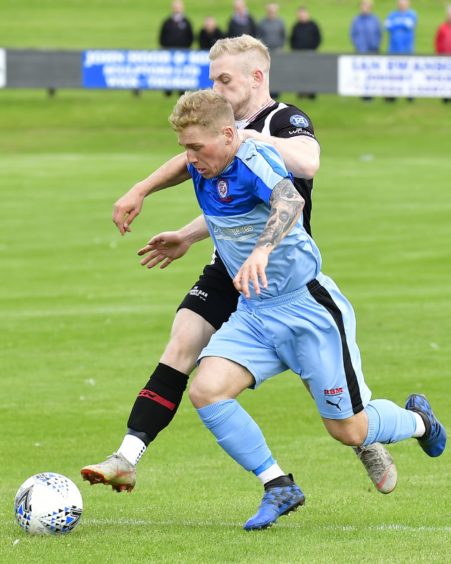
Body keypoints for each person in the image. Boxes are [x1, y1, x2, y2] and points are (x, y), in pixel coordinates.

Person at [81, 35, 397, 497]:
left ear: (256, 77)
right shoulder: (213, 132)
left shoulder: (283, 120)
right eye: (213, 79)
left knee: (330, 398)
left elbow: (307, 164)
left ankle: (362, 431)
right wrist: (152, 201)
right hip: (228, 265)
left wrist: (247, 137)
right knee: (183, 343)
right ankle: (127, 456)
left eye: (224, 78)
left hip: (278, 267)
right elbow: (203, 177)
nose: (217, 87)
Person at [164, 88, 446, 530]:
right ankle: (277, 485)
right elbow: (197, 179)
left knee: (348, 430)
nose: (189, 158)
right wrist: (156, 206)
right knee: (206, 390)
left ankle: (418, 422)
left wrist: (261, 251)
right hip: (256, 314)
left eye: (196, 147)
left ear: (228, 134)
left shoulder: (254, 156)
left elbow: (289, 200)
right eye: (184, 147)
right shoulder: (206, 166)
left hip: (308, 310)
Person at [159, 0, 194, 96]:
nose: (177, 8)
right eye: (175, 6)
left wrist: (186, 48)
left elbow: (190, 37)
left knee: (182, 72)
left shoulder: (186, 22)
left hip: (183, 53)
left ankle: (182, 91)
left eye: (179, 6)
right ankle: (168, 91)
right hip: (169, 53)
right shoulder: (167, 22)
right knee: (169, 72)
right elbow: (162, 38)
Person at [289, 7, 322, 99]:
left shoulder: (313, 25)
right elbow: (292, 40)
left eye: (303, 14)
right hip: (299, 55)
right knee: (300, 74)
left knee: (311, 74)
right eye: (300, 14)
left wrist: (313, 48)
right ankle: (301, 93)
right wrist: (295, 50)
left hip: (311, 54)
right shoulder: (296, 26)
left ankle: (311, 93)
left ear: (307, 14)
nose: (302, 16)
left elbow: (318, 38)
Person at [257, 3, 286, 99]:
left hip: (277, 52)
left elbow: (283, 36)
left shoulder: (280, 22)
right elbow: (258, 37)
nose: (272, 13)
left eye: (273, 11)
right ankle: (266, 92)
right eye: (270, 11)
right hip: (266, 52)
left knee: (277, 72)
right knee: (266, 72)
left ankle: (277, 92)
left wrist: (281, 47)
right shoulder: (262, 23)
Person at [435, 4, 451, 103]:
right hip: (444, 56)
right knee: (445, 77)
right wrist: (439, 53)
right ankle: (445, 96)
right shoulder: (442, 27)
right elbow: (437, 41)